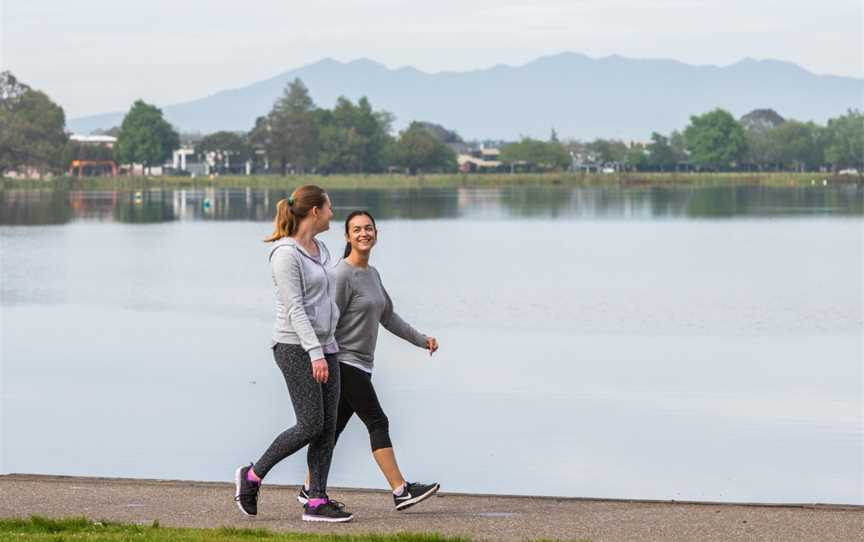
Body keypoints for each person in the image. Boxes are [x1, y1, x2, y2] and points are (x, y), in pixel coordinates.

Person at [297, 210, 441, 512]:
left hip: (362, 364)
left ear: (376, 234)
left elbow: (388, 316)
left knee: (330, 431)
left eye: (369, 229)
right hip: (344, 362)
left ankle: (310, 489)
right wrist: (318, 359)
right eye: (357, 230)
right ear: (348, 236)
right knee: (378, 421)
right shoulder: (341, 275)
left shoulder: (372, 274)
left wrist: (421, 339)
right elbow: (325, 320)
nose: (364, 234)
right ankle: (401, 490)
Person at [234, 185, 353, 523]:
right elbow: (296, 309)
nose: (333, 213)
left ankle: (316, 501)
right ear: (315, 211)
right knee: (310, 424)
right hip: (294, 347)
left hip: (326, 346)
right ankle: (253, 475)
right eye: (329, 207)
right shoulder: (285, 254)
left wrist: (330, 342)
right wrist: (315, 353)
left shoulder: (322, 249)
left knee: (327, 428)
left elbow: (326, 298)